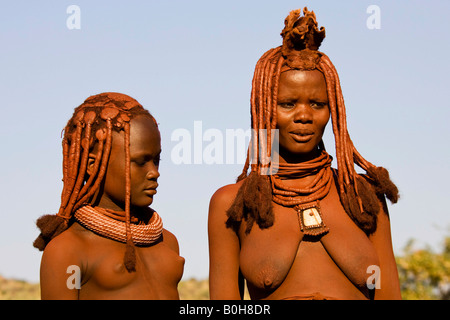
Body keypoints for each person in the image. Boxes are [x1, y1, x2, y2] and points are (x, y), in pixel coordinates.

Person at [208, 8, 401, 300]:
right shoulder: (233, 204)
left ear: (333, 110)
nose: (304, 116)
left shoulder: (363, 197)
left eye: (317, 104)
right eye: (287, 104)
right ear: (263, 110)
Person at [33, 92, 184, 299]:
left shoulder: (166, 241)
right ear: (93, 165)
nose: (154, 172)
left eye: (156, 160)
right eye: (141, 161)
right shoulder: (68, 252)